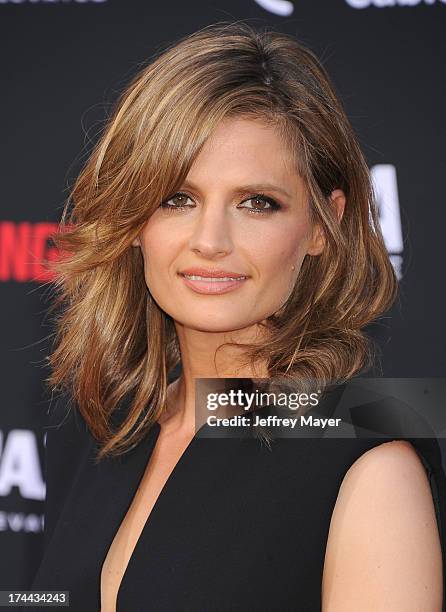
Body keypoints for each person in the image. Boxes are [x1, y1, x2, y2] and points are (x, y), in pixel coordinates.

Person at [30, 21, 445, 611]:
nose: (210, 240)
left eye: (257, 203)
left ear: (321, 227)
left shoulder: (370, 455)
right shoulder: (102, 425)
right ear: (133, 218)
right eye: (178, 198)